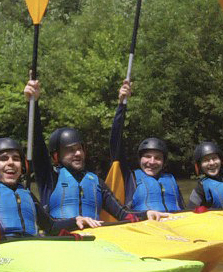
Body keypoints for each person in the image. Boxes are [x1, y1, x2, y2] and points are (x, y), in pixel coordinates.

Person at [0, 68, 90, 238]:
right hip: (0, 252)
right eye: (3, 159)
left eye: (16, 159)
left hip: (29, 250)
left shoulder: (27, 194)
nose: (11, 163)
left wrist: (76, 220)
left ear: (23, 166)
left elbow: (50, 226)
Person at [23, 79, 169, 224]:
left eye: (80, 148)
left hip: (95, 241)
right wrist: (33, 103)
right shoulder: (49, 178)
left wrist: (146, 214)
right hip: (62, 239)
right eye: (71, 150)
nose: (78, 154)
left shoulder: (96, 182)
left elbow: (122, 214)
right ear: (56, 156)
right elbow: (37, 145)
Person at [108, 80, 185, 212]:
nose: (152, 162)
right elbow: (116, 142)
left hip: (174, 226)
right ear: (139, 159)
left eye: (158, 158)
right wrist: (121, 105)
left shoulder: (170, 180)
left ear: (164, 162)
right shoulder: (130, 178)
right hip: (145, 228)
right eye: (147, 157)